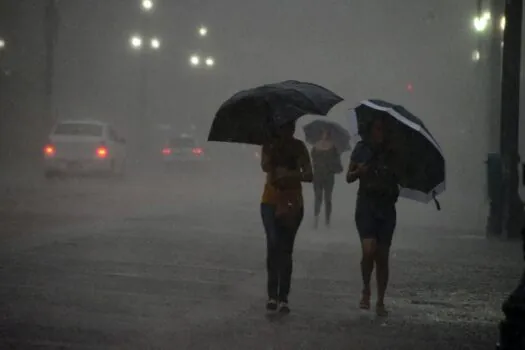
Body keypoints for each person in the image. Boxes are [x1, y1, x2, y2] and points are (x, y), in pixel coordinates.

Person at [346, 118, 400, 316]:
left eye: (383, 129)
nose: (380, 133)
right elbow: (349, 177)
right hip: (366, 205)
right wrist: (361, 171)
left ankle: (381, 300)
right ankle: (366, 287)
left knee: (383, 256)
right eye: (377, 128)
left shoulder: (393, 153)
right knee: (369, 250)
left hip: (386, 207)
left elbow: (401, 178)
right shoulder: (362, 149)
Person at [260, 121, 313, 313]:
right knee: (273, 244)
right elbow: (265, 167)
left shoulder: (298, 147)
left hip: (292, 203)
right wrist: (272, 153)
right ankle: (272, 295)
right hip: (270, 202)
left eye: (289, 127)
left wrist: (292, 176)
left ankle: (283, 297)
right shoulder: (269, 145)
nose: (286, 130)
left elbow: (309, 174)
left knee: (286, 249)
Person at [310, 128, 343, 229]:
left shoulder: (333, 147)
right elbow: (313, 160)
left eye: (326, 133)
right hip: (319, 175)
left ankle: (327, 221)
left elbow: (337, 161)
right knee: (318, 197)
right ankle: (316, 219)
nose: (325, 135)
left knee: (327, 198)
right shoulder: (315, 147)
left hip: (328, 175)